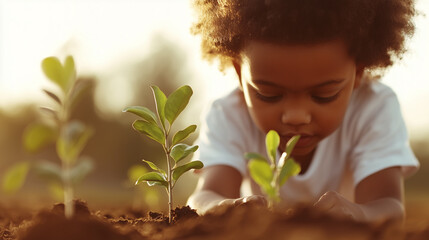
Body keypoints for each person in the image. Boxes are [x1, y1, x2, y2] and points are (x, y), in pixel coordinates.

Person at [187, 0, 420, 223]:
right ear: (239, 73)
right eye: (269, 95)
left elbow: (389, 208)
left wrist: (356, 214)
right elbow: (205, 197)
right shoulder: (229, 114)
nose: (296, 116)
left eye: (323, 96)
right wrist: (227, 209)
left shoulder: (373, 108)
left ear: (358, 73)